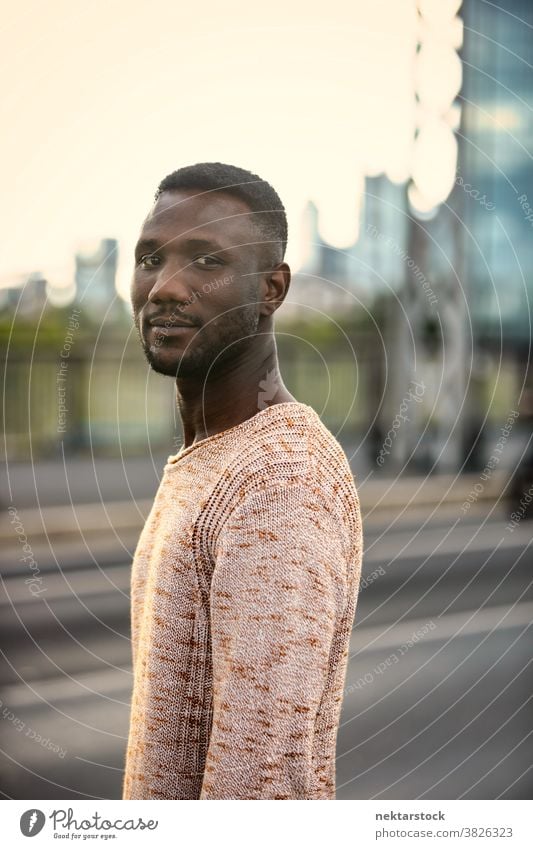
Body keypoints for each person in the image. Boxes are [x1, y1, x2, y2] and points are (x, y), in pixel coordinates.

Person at [122, 162, 363, 800]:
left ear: (271, 289)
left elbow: (258, 784)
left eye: (206, 261)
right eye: (150, 257)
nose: (165, 288)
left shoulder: (279, 479)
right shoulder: (212, 455)